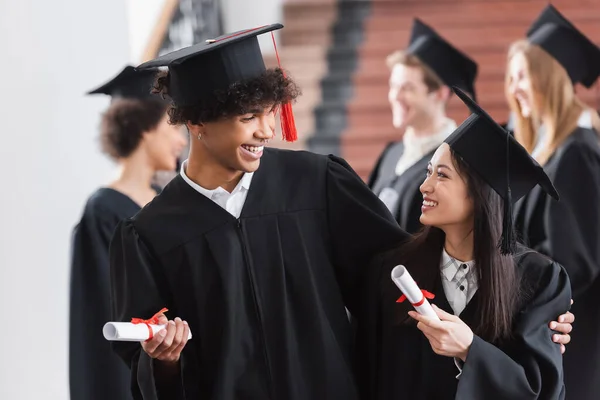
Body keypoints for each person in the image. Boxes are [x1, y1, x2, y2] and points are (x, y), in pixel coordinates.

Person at [109, 24, 574, 400]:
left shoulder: (317, 184)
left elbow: (408, 276)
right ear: (196, 123)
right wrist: (163, 360)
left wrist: (524, 311)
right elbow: (144, 371)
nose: (267, 130)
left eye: (271, 111)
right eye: (249, 117)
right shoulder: (150, 234)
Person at [355, 87, 571, 400]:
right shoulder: (393, 271)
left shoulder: (540, 281)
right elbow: (368, 375)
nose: (423, 186)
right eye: (429, 171)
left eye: (441, 175)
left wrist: (471, 350)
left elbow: (542, 391)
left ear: (479, 195)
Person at [69, 65, 187, 400]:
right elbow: (103, 318)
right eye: (173, 125)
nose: (181, 139)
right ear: (145, 128)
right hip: (131, 375)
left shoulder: (166, 203)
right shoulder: (104, 212)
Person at [505, 5, 600, 398]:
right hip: (545, 326)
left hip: (567, 333)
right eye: (510, 78)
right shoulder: (548, 151)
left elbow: (576, 260)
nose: (514, 88)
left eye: (523, 76)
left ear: (551, 79)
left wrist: (513, 286)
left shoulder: (577, 152)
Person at [368, 18, 477, 234]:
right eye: (393, 86)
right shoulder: (391, 154)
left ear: (441, 93)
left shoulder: (457, 160)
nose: (395, 97)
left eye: (407, 88)